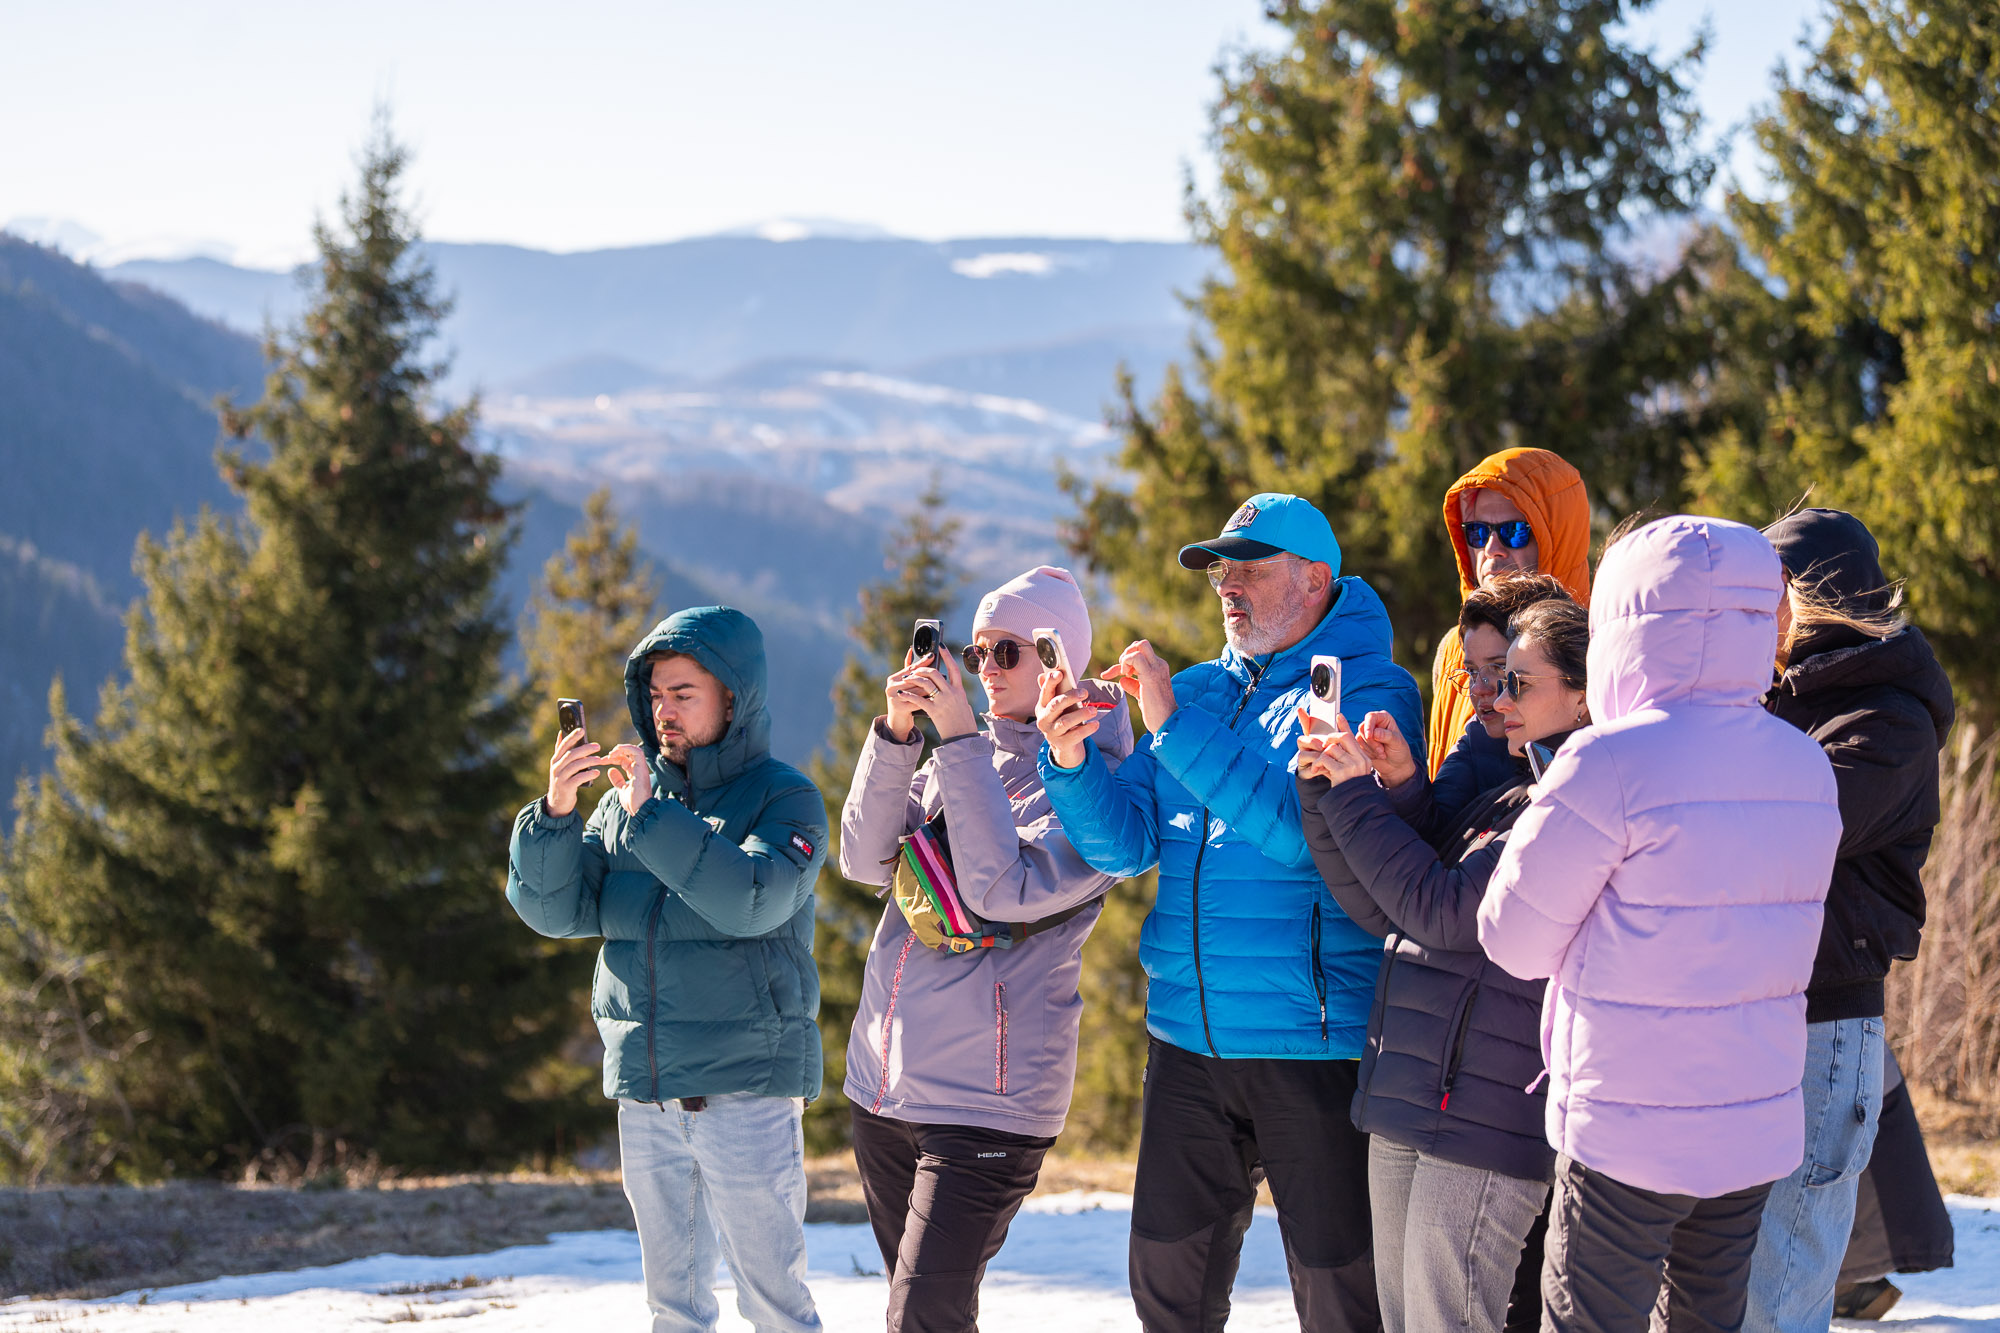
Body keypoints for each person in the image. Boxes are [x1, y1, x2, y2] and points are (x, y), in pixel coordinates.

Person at [1037, 492, 1425, 1332]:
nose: (1227, 584)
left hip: (1313, 1041)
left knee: (1340, 1302)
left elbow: (1299, 832)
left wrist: (1171, 727)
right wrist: (1069, 762)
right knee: (1166, 1293)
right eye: (1220, 567)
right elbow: (1127, 843)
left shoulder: (1368, 687)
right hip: (1185, 1040)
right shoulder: (1198, 692)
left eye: (1249, 565)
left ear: (1316, 578)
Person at [1476, 515, 1844, 1332]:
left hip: (1626, 1124)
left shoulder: (1606, 761)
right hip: (1752, 1115)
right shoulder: (1804, 765)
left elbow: (1513, 938)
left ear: (1623, 622)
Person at [507, 606, 827, 1333]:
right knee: (673, 1309)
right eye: (655, 694)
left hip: (745, 1089)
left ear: (732, 699)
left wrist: (650, 816)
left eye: (684, 693)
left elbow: (750, 900)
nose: (664, 711)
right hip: (648, 1093)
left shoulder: (786, 797)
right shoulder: (627, 803)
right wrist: (557, 811)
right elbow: (556, 909)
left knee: (775, 1307)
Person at [838, 566, 1135, 1332]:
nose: (988, 671)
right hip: (886, 1088)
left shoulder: (1096, 786)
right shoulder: (954, 759)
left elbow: (1001, 890)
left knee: (922, 1317)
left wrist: (961, 741)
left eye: (1008, 652)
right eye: (977, 654)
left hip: (987, 1104)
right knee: (926, 1313)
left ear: (1057, 657)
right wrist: (898, 738)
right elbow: (863, 862)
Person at [1297, 593, 1589, 1333]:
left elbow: (1444, 911)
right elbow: (1383, 904)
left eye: (1517, 680)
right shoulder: (1503, 782)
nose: (1493, 698)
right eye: (1488, 677)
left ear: (1584, 693)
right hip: (1413, 1089)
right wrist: (1328, 790)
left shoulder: (1570, 800)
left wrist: (1359, 793)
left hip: (1485, 1115)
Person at [1741, 507, 1954, 1333]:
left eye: (1764, 597)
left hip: (1824, 1032)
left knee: (1777, 1297)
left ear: (1815, 596)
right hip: (1752, 1021)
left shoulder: (1889, 718)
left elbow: (1790, 828)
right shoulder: (1778, 699)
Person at [1427, 449, 1592, 780]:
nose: (1491, 549)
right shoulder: (1453, 649)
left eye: (1515, 531)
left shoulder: (1594, 650)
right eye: (1476, 532)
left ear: (1559, 537)